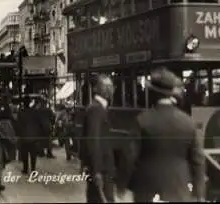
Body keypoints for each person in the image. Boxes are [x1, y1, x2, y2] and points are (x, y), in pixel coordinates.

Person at [122, 67, 206, 202]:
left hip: (147, 189)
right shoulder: (188, 122)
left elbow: (129, 157)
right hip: (179, 190)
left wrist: (124, 186)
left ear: (153, 94)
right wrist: (200, 193)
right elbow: (198, 160)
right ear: (172, 95)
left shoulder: (142, 121)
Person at [81, 74, 116, 203]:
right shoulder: (96, 109)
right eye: (105, 86)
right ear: (96, 89)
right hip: (101, 170)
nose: (109, 90)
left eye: (111, 86)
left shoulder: (99, 108)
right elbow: (93, 140)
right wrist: (96, 171)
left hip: (101, 169)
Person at [17, 96, 45, 174]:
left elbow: (18, 125)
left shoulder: (21, 112)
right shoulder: (35, 111)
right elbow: (40, 123)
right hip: (33, 136)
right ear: (29, 103)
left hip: (24, 136)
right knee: (33, 154)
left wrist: (19, 134)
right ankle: (33, 169)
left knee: (25, 154)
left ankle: (25, 169)